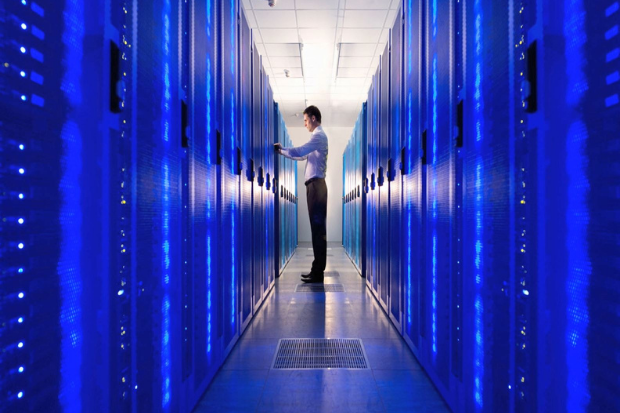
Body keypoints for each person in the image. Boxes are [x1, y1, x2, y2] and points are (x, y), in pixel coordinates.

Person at [274, 105, 328, 283]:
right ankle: (316, 270)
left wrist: (282, 149)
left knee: (318, 231)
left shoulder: (319, 136)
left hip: (316, 187)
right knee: (316, 230)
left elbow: (300, 151)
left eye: (305, 120)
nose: (305, 124)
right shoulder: (316, 138)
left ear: (313, 118)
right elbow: (300, 157)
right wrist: (283, 153)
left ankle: (318, 272)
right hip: (314, 187)